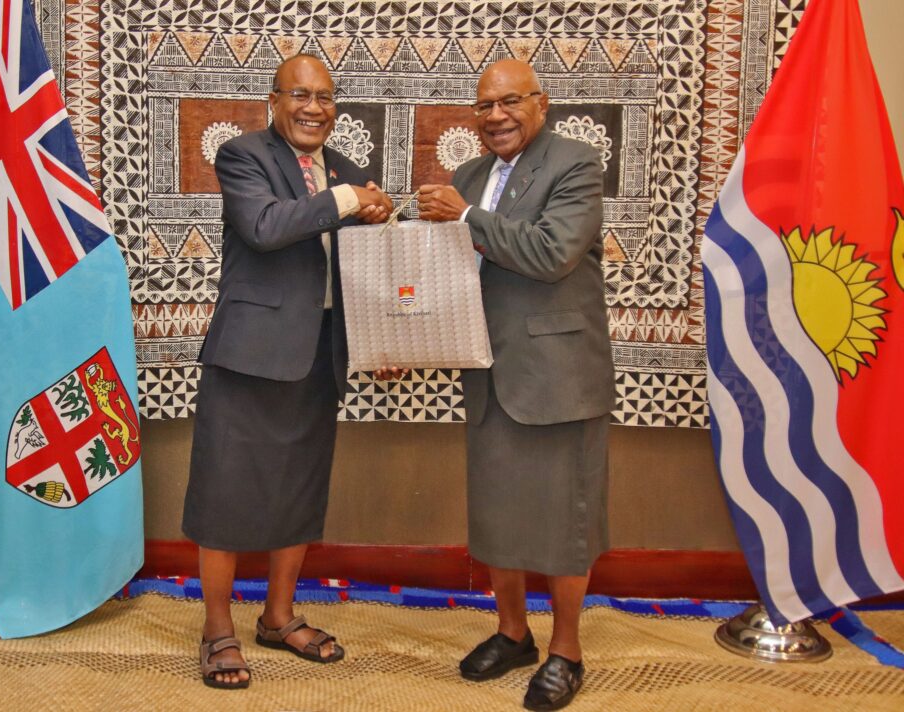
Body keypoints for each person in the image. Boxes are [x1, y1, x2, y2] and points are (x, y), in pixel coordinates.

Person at [183, 53, 397, 689]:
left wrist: (380, 216)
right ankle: (217, 628)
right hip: (249, 354)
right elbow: (264, 226)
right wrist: (347, 200)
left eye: (326, 97)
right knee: (226, 490)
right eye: (299, 94)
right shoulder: (243, 155)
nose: (313, 107)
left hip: (320, 354)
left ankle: (278, 617)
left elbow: (365, 271)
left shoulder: (349, 171)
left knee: (300, 491)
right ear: (272, 102)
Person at [417, 59, 614, 711]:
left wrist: (468, 216)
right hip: (488, 367)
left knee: (565, 520)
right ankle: (512, 633)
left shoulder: (577, 163)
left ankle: (566, 650)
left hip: (558, 371)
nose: (496, 115)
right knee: (498, 514)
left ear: (542, 103)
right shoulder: (469, 175)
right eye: (484, 106)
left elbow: (551, 253)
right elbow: (442, 273)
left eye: (510, 102)